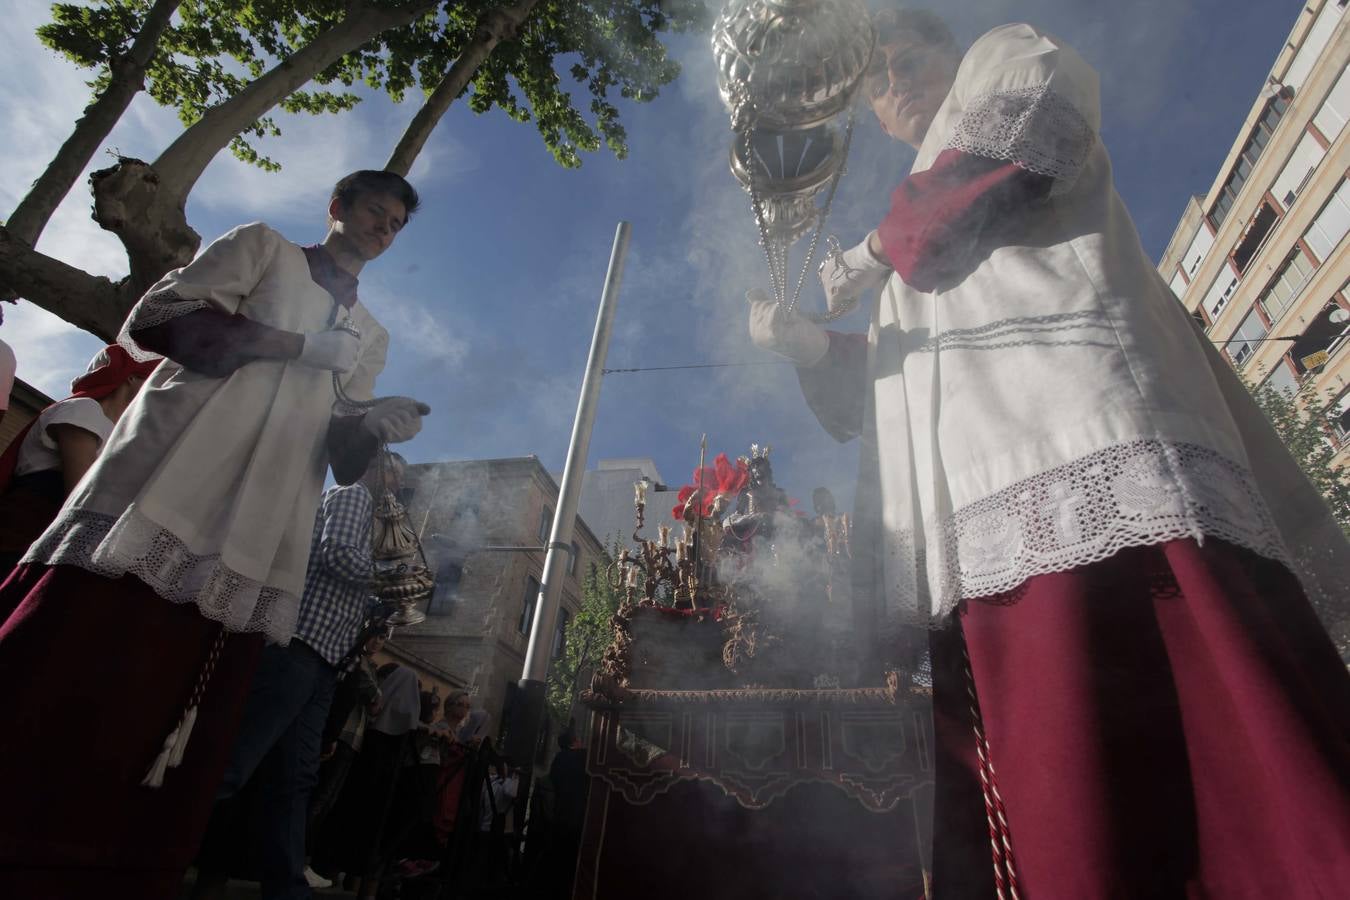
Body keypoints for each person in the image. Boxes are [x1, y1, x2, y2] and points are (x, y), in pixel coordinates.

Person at [749, 8, 1350, 898]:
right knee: (1066, 815)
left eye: (903, 58)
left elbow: (988, 178)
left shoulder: (1006, 59)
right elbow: (886, 391)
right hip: (973, 537)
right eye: (874, 82)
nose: (893, 85)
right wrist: (804, 345)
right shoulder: (903, 221)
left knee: (1219, 773)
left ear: (946, 48)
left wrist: (869, 252)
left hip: (1088, 453)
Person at [0, 169, 430, 899]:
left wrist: (373, 425)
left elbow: (341, 454)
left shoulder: (372, 336)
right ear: (337, 207)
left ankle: (116, 864)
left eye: (394, 225)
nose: (379, 230)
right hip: (172, 479)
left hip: (262, 523)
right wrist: (292, 344)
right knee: (76, 661)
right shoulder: (261, 249)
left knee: (175, 715)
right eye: (372, 212)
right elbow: (160, 320)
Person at [192, 462, 389, 899]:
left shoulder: (363, 514)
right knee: (237, 762)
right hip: (301, 645)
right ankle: (152, 851)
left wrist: (382, 599)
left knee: (294, 778)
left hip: (322, 660)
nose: (397, 484)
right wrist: (389, 574)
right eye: (394, 472)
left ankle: (285, 887)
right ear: (379, 469)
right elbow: (336, 555)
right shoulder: (355, 495)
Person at [0, 344, 157, 572]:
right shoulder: (83, 410)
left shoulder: (112, 432)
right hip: (21, 532)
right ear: (131, 378)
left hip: (43, 538)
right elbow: (80, 494)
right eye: (152, 380)